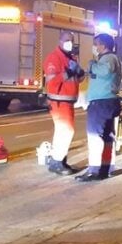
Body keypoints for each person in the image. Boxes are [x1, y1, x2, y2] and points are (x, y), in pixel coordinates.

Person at [75, 33, 122, 182]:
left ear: (103, 45)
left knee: (95, 136)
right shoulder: (107, 59)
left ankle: (94, 170)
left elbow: (104, 71)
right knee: (107, 136)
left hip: (101, 103)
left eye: (96, 44)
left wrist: (91, 65)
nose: (94, 47)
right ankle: (105, 168)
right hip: (106, 102)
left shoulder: (109, 59)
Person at [43, 31, 84, 175]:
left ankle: (61, 161)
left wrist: (79, 73)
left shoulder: (70, 58)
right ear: (60, 41)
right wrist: (68, 73)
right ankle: (56, 162)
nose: (70, 43)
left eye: (72, 40)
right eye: (67, 40)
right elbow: (52, 82)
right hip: (58, 101)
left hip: (67, 101)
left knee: (64, 131)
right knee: (65, 131)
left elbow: (77, 80)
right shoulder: (54, 58)